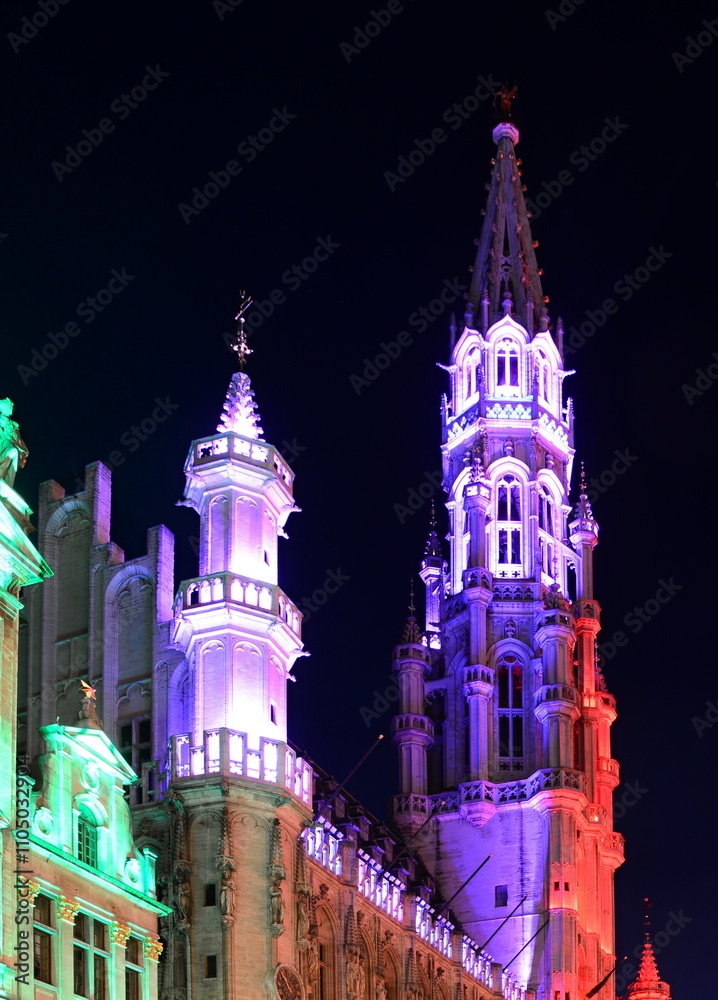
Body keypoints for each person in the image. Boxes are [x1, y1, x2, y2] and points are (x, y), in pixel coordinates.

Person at [0, 399, 28, 488]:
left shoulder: (14, 425)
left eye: (11, 406)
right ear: (2, 408)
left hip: (11, 444)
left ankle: (8, 485)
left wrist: (24, 452)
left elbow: (18, 440)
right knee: (12, 450)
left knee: (14, 452)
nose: (11, 408)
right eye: (8, 406)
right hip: (2, 442)